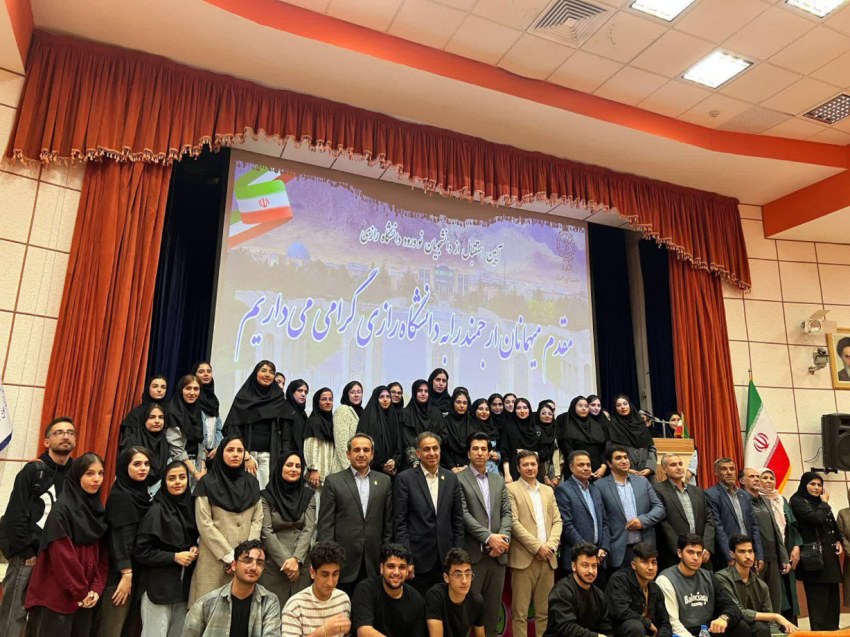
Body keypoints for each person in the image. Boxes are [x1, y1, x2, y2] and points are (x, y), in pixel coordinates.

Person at [0, 416, 76, 637]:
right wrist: (26, 553)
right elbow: (14, 515)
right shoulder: (33, 471)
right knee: (14, 615)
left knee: (43, 618)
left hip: (57, 559)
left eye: (70, 432)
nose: (65, 436)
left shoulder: (77, 474)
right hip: (28, 557)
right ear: (46, 441)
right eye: (59, 432)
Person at [24, 452, 109, 637]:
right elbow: (63, 557)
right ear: (77, 476)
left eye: (100, 473)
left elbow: (101, 555)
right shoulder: (61, 511)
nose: (96, 479)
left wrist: (96, 588)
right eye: (89, 473)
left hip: (85, 598)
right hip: (57, 597)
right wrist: (81, 592)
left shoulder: (96, 511)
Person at [189, 435, 264, 607]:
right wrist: (230, 557)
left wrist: (246, 554)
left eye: (239, 450)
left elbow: (257, 519)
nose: (235, 454)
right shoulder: (207, 483)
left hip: (245, 564)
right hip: (213, 561)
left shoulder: (252, 483)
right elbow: (204, 524)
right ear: (221, 452)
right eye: (230, 450)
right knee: (207, 614)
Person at [318, 433, 393, 596]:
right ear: (348, 454)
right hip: (343, 563)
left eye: (366, 450)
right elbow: (325, 525)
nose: (361, 454)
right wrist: (328, 560)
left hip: (374, 562)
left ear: (372, 454)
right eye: (356, 450)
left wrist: (386, 558)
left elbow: (388, 524)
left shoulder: (384, 481)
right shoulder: (333, 481)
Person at [394, 431, 465, 597]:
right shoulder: (405, 479)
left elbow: (458, 521)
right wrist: (407, 560)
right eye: (426, 449)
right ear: (418, 453)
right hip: (418, 560)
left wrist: (457, 558)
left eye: (435, 448)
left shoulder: (451, 478)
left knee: (444, 607)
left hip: (446, 560)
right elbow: (400, 523)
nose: (432, 453)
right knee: (419, 607)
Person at [92, 446, 153, 637]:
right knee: (111, 627)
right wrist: (126, 574)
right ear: (124, 467)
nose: (143, 468)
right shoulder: (121, 496)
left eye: (146, 464)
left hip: (136, 572)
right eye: (137, 464)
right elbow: (119, 539)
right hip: (119, 575)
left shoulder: (141, 495)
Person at [135, 460, 199, 637]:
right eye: (171, 478)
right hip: (158, 589)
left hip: (182, 589)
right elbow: (141, 552)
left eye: (182, 477)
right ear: (164, 482)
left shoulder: (190, 508)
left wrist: (194, 548)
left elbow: (189, 538)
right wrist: (174, 557)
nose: (177, 482)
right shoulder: (156, 510)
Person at [457, 432, 511, 637]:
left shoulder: (498, 480)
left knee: (491, 616)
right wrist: (489, 538)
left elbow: (507, 513)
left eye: (483, 449)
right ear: (468, 453)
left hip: (497, 557)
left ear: (489, 453)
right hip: (473, 556)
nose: (480, 453)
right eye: (475, 449)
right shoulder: (459, 479)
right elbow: (463, 514)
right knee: (466, 615)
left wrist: (502, 540)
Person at [507, 450, 562, 637]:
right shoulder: (511, 489)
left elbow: (558, 521)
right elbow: (513, 523)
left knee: (545, 612)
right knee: (520, 613)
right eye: (525, 465)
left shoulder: (548, 490)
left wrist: (550, 546)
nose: (530, 468)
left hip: (548, 558)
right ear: (518, 468)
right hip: (524, 559)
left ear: (538, 466)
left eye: (533, 464)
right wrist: (538, 547)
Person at [183, 539, 281, 637]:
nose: (253, 567)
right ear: (234, 565)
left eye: (259, 563)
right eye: (247, 561)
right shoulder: (206, 604)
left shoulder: (269, 602)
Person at [655, 533, 744, 637]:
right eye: (690, 552)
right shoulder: (665, 579)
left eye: (699, 553)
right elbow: (673, 623)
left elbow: (731, 606)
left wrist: (723, 618)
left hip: (706, 631)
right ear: (679, 553)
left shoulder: (708, 576)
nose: (696, 558)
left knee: (741, 626)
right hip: (683, 632)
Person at [259, 452, 317, 608]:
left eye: (298, 466)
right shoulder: (266, 496)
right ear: (279, 468)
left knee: (300, 613)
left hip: (301, 565)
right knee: (273, 614)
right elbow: (266, 530)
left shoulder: (308, 495)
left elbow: (309, 528)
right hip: (274, 565)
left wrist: (297, 559)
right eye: (289, 465)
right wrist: (287, 562)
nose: (294, 469)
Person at [788, 471, 843, 631]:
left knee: (832, 601)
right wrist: (825, 503)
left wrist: (838, 539)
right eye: (812, 484)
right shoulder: (798, 500)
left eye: (819, 485)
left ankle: (833, 631)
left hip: (829, 558)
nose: (817, 487)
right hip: (813, 560)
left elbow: (831, 522)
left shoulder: (820, 502)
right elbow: (816, 518)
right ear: (804, 485)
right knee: (818, 603)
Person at [224, 361, 291, 489]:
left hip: (269, 456)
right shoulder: (243, 397)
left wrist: (285, 457)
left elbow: (285, 434)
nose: (267, 375)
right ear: (255, 373)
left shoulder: (278, 399)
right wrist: (245, 455)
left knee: (266, 492)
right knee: (244, 491)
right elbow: (233, 429)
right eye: (263, 371)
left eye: (271, 372)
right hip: (246, 454)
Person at [596, 446, 664, 571]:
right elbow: (600, 519)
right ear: (609, 464)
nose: (624, 461)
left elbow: (659, 508)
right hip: (618, 549)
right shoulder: (599, 486)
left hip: (645, 546)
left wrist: (642, 521)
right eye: (618, 458)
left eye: (626, 457)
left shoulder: (642, 482)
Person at [714, 534, 797, 636]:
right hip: (727, 628)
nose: (748, 556)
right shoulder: (722, 578)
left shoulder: (762, 586)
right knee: (743, 625)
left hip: (755, 629)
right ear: (732, 554)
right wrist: (776, 616)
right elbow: (736, 611)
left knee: (762, 627)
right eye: (742, 551)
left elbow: (770, 622)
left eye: (750, 551)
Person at [738, 468, 790, 616]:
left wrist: (784, 557)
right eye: (752, 476)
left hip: (773, 557)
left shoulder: (766, 500)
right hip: (754, 558)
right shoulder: (740, 500)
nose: (756, 479)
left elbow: (776, 530)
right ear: (742, 481)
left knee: (775, 599)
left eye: (757, 476)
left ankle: (775, 626)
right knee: (757, 600)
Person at [654, 453, 715, 569]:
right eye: (673, 465)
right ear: (664, 469)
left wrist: (706, 547)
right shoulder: (658, 490)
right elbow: (662, 523)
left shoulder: (697, 491)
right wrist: (681, 550)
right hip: (675, 555)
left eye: (680, 464)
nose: (679, 467)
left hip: (701, 554)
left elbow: (709, 519)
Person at [351, 543, 426, 637]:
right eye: (391, 566)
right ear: (382, 568)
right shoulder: (366, 589)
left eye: (402, 567)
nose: (396, 572)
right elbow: (363, 632)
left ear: (407, 571)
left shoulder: (417, 601)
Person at [282, 541, 352, 637]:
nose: (330, 582)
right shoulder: (294, 606)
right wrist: (323, 632)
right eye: (324, 575)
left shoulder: (343, 600)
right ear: (312, 573)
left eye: (335, 574)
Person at [556, 450, 610, 574]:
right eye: (581, 465)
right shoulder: (563, 490)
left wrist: (603, 548)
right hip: (576, 557)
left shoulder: (595, 489)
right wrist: (589, 551)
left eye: (588, 465)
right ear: (571, 467)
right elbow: (567, 526)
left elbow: (604, 522)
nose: (586, 468)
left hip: (599, 558)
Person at [543, 542, 613, 637]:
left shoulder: (598, 593)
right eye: (585, 565)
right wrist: (596, 636)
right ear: (574, 566)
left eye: (594, 566)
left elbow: (606, 626)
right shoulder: (562, 590)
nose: (591, 571)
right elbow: (566, 628)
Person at [758, 468, 800, 623]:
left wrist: (796, 546)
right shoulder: (756, 501)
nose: (769, 481)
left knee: (788, 590)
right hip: (769, 552)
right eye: (764, 478)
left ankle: (790, 625)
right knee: (774, 592)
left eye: (771, 478)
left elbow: (793, 526)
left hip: (787, 550)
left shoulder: (782, 500)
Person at [705, 458, 763, 570]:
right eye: (724, 469)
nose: (729, 472)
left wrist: (758, 554)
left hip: (748, 553)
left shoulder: (745, 495)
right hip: (726, 556)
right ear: (716, 473)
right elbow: (718, 528)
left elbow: (754, 526)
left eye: (732, 469)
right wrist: (729, 556)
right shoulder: (711, 495)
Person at [605, 543, 672, 637]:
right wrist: (647, 623)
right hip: (620, 631)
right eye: (645, 562)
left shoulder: (655, 588)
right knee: (635, 627)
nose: (650, 567)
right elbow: (620, 612)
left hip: (646, 633)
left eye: (654, 562)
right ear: (634, 565)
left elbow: (665, 623)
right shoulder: (619, 580)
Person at [424, 548, 485, 637]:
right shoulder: (435, 596)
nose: (464, 581)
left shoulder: (476, 600)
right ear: (446, 578)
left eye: (468, 574)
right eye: (458, 575)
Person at [165, 374, 207, 485]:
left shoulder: (199, 412)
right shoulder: (173, 412)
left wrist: (202, 468)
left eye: (196, 389)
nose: (192, 393)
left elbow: (202, 442)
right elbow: (176, 448)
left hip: (197, 464)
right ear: (181, 390)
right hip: (178, 466)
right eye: (188, 388)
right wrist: (195, 473)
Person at [556, 396, 608, 481]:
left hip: (598, 472)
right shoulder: (567, 427)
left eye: (586, 406)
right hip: (577, 472)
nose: (584, 408)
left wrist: (603, 465)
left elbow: (603, 449)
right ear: (573, 407)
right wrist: (585, 469)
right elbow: (569, 452)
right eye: (580, 406)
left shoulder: (596, 425)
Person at [121, 402, 170, 492]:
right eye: (152, 417)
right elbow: (123, 471)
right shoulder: (132, 441)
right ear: (144, 419)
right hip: (132, 491)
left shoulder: (164, 442)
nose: (157, 421)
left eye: (161, 417)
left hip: (158, 490)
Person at [357, 385, 402, 476]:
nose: (385, 400)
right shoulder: (367, 418)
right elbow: (363, 445)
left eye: (388, 397)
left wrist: (394, 460)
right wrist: (381, 465)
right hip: (371, 470)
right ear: (375, 399)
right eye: (381, 397)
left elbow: (398, 443)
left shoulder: (393, 417)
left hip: (391, 471)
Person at [606, 394, 656, 477]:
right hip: (624, 473)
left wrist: (649, 468)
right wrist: (627, 470)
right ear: (615, 408)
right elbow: (610, 451)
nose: (622, 407)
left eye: (625, 404)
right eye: (618, 405)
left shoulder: (640, 423)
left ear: (630, 405)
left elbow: (651, 448)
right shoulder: (612, 426)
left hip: (646, 473)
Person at [401, 380, 446, 470]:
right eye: (420, 391)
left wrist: (431, 446)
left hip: (433, 458)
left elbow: (443, 434)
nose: (423, 394)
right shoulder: (405, 413)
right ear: (414, 392)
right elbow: (406, 439)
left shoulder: (436, 413)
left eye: (426, 391)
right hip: (412, 463)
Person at [117, 375, 168, 448]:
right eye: (155, 386)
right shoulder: (135, 415)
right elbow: (128, 445)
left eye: (163, 387)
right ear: (148, 388)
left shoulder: (170, 412)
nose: (159, 390)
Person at [500, 398, 542, 482]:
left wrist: (527, 452)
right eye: (518, 408)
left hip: (534, 468)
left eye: (525, 408)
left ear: (529, 410)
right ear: (514, 410)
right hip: (515, 468)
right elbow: (505, 452)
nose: (522, 411)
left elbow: (542, 451)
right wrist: (507, 474)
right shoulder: (508, 427)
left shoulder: (537, 429)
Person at [303, 388, 336, 490]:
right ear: (317, 402)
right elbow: (310, 447)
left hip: (329, 475)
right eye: (324, 399)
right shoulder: (313, 421)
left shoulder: (332, 422)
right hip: (316, 477)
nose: (328, 402)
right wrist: (313, 469)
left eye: (330, 399)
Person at [192, 361, 224, 465]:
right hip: (194, 453)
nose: (206, 374)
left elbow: (218, 428)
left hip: (212, 454)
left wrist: (217, 447)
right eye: (201, 371)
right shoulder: (191, 398)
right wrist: (201, 448)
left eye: (209, 371)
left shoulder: (213, 401)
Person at [332, 380, 365, 473]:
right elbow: (341, 444)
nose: (356, 395)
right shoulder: (343, 410)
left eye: (359, 392)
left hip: (359, 467)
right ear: (347, 395)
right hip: (345, 470)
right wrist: (350, 469)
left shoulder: (362, 412)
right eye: (352, 392)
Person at [442, 388, 477, 472]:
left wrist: (467, 465)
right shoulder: (445, 421)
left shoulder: (472, 422)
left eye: (465, 403)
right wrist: (452, 467)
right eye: (458, 402)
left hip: (470, 467)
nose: (462, 405)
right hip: (447, 468)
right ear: (453, 403)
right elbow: (443, 447)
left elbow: (475, 446)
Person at [470, 398, 500, 474]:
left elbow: (500, 449)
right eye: (480, 409)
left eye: (487, 409)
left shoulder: (493, 428)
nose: (484, 412)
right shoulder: (470, 427)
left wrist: (498, 456)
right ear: (474, 410)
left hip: (494, 470)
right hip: (475, 470)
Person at [284, 379, 310, 459]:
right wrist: (287, 457)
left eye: (305, 392)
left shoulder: (302, 413)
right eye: (299, 391)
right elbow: (285, 438)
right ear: (292, 392)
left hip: (299, 457)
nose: (303, 394)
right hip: (289, 457)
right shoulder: (286, 409)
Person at [534, 401, 558, 487]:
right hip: (538, 470)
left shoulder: (557, 429)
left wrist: (557, 476)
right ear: (538, 415)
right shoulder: (534, 431)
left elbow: (560, 455)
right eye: (543, 413)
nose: (547, 416)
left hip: (555, 471)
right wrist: (545, 476)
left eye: (550, 414)